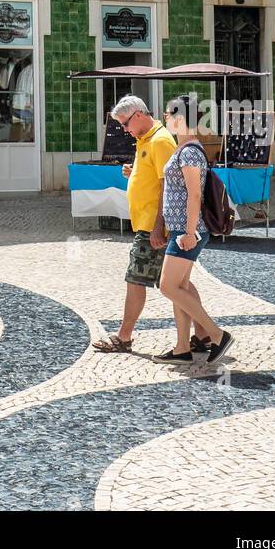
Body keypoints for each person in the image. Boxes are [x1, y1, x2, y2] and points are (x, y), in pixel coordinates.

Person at [93, 95, 210, 355]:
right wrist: (134, 170)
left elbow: (169, 185)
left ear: (137, 115)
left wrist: (159, 227)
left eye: (124, 124)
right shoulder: (145, 140)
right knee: (180, 284)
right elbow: (158, 174)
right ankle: (204, 335)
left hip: (153, 226)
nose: (124, 130)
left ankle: (124, 337)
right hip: (148, 224)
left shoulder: (159, 140)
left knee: (137, 279)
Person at [156, 96, 233, 365]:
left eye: (167, 114)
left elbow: (194, 193)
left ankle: (215, 334)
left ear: (180, 118)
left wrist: (189, 232)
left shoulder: (189, 152)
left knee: (167, 286)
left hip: (188, 230)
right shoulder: (185, 149)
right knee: (181, 286)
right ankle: (181, 348)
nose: (165, 119)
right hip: (181, 228)